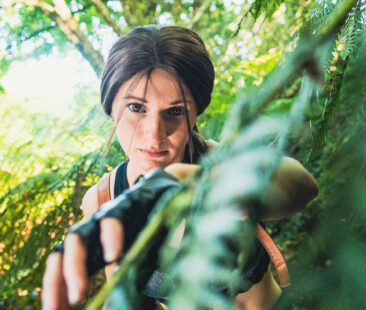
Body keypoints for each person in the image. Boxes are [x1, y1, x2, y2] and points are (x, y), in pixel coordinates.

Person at [41, 25, 318, 310]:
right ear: (111, 107)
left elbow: (303, 185)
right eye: (136, 108)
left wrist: (193, 180)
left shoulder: (221, 161)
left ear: (196, 111)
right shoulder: (103, 201)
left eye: (175, 111)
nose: (154, 135)